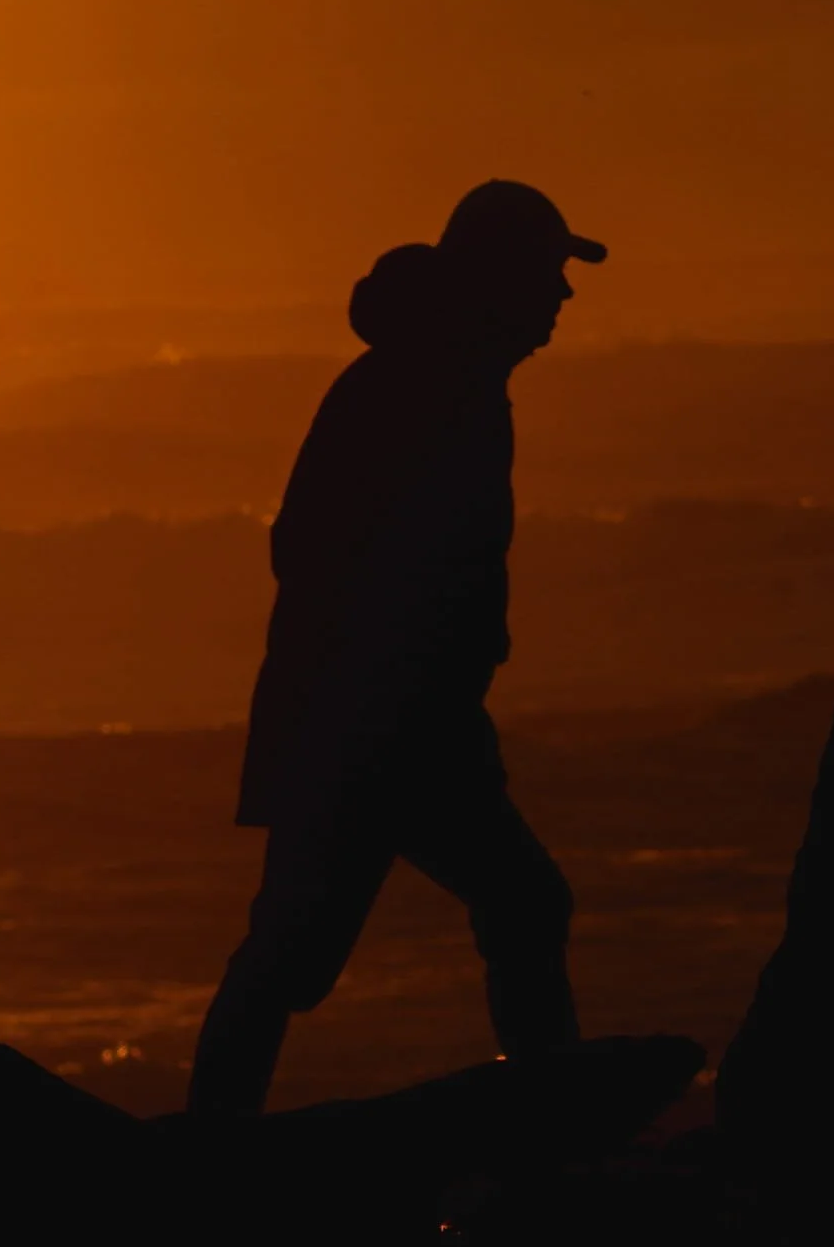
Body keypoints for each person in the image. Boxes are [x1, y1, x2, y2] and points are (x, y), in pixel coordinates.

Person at [185, 180, 606, 1114]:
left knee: (486, 910)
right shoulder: (418, 386)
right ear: (499, 278)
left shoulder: (449, 380)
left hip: (398, 721)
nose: (562, 297)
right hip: (372, 727)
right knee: (314, 945)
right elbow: (310, 548)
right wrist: (402, 675)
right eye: (549, 273)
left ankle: (551, 1123)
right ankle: (556, 1130)